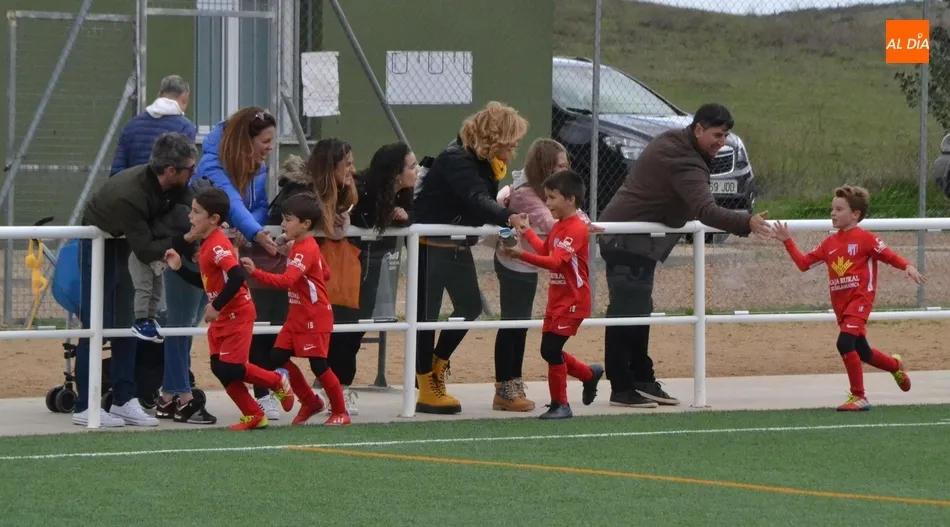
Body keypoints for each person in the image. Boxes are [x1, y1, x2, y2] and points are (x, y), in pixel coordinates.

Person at [597, 103, 773, 408]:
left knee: (638, 309)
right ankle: (622, 387)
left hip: (633, 240)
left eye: (725, 136)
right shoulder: (684, 158)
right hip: (626, 240)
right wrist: (747, 222)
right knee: (627, 313)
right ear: (699, 129)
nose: (721, 142)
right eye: (717, 135)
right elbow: (706, 210)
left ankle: (641, 379)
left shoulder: (674, 141)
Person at [411, 101, 530, 414]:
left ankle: (437, 364)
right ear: (494, 136)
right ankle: (426, 385)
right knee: (425, 317)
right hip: (430, 245)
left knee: (470, 306)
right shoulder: (457, 158)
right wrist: (507, 217)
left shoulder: (483, 161)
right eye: (511, 138)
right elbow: (477, 198)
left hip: (456, 244)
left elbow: (480, 201)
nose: (515, 145)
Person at [73, 132, 197, 427]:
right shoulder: (130, 194)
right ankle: (84, 406)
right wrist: (187, 239)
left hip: (124, 243)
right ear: (171, 171)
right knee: (96, 324)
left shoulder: (174, 185)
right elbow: (145, 250)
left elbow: (193, 204)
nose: (193, 173)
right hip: (100, 244)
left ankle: (123, 399)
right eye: (190, 169)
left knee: (126, 323)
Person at [772, 186, 922, 411]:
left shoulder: (866, 239)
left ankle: (859, 396)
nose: (833, 213)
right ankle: (894, 365)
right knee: (863, 352)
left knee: (844, 343)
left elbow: (889, 256)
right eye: (832, 208)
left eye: (839, 209)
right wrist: (787, 241)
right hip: (841, 305)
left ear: (855, 214)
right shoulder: (829, 244)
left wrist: (907, 266)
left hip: (860, 300)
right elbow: (803, 264)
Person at [163, 187, 294, 431]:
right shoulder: (206, 244)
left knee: (232, 367)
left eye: (196, 212)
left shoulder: (216, 245)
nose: (190, 217)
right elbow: (206, 283)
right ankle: (254, 414)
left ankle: (276, 380)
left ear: (214, 219)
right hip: (223, 315)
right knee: (220, 368)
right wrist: (179, 268)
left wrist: (216, 305)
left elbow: (236, 276)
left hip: (237, 314)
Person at [490, 138, 599, 412]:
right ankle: (588, 375)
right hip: (558, 298)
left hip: (573, 299)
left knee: (549, 350)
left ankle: (561, 403)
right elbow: (545, 248)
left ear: (569, 199)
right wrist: (528, 232)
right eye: (546, 197)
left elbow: (554, 262)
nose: (547, 203)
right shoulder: (562, 224)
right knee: (544, 346)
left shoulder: (572, 227)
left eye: (551, 198)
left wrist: (520, 254)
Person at [193, 106, 283, 419]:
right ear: (245, 142)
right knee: (185, 329)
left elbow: (257, 206)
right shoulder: (212, 163)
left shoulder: (257, 165)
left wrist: (250, 228)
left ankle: (264, 397)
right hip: (199, 256)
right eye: (265, 141)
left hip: (228, 272)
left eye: (273, 140)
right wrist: (254, 231)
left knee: (227, 360)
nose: (271, 148)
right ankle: (174, 392)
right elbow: (230, 201)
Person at [241, 193, 351, 426]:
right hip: (297, 316)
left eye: (288, 220)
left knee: (319, 365)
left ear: (305, 224)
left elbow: (286, 281)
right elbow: (325, 273)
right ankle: (310, 401)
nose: (282, 224)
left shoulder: (305, 249)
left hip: (314, 316)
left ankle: (340, 412)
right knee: (276, 357)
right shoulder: (303, 246)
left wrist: (255, 273)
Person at [325, 142, 417, 411]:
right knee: (342, 328)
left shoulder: (404, 193)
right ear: (396, 172)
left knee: (358, 326)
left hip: (372, 264)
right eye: (412, 167)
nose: (417, 171)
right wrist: (388, 215)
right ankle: (336, 390)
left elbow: (419, 213)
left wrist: (406, 216)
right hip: (347, 263)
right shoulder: (362, 189)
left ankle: (340, 387)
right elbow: (355, 219)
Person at [110, 75, 197, 175]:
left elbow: (117, 172)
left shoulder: (131, 126)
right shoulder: (185, 128)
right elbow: (185, 174)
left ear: (159, 94)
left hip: (133, 184)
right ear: (184, 99)